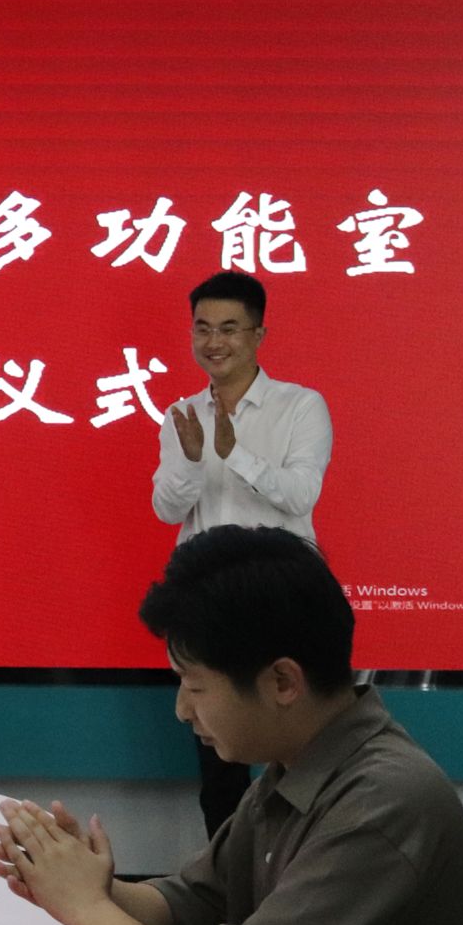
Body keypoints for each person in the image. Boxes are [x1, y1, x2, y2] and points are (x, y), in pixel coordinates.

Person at [0, 525, 463, 925]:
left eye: (194, 686)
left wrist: (85, 905)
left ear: (282, 682)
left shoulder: (381, 806)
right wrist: (83, 880)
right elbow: (189, 903)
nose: (182, 710)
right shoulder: (295, 766)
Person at [151, 271, 332, 836]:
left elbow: (301, 494)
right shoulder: (183, 415)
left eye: (229, 328)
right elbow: (167, 508)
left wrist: (236, 455)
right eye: (202, 328)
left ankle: (300, 874)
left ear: (258, 335)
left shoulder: (300, 406)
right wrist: (191, 460)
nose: (214, 342)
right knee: (219, 771)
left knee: (297, 755)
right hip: (207, 604)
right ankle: (226, 881)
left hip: (284, 601)